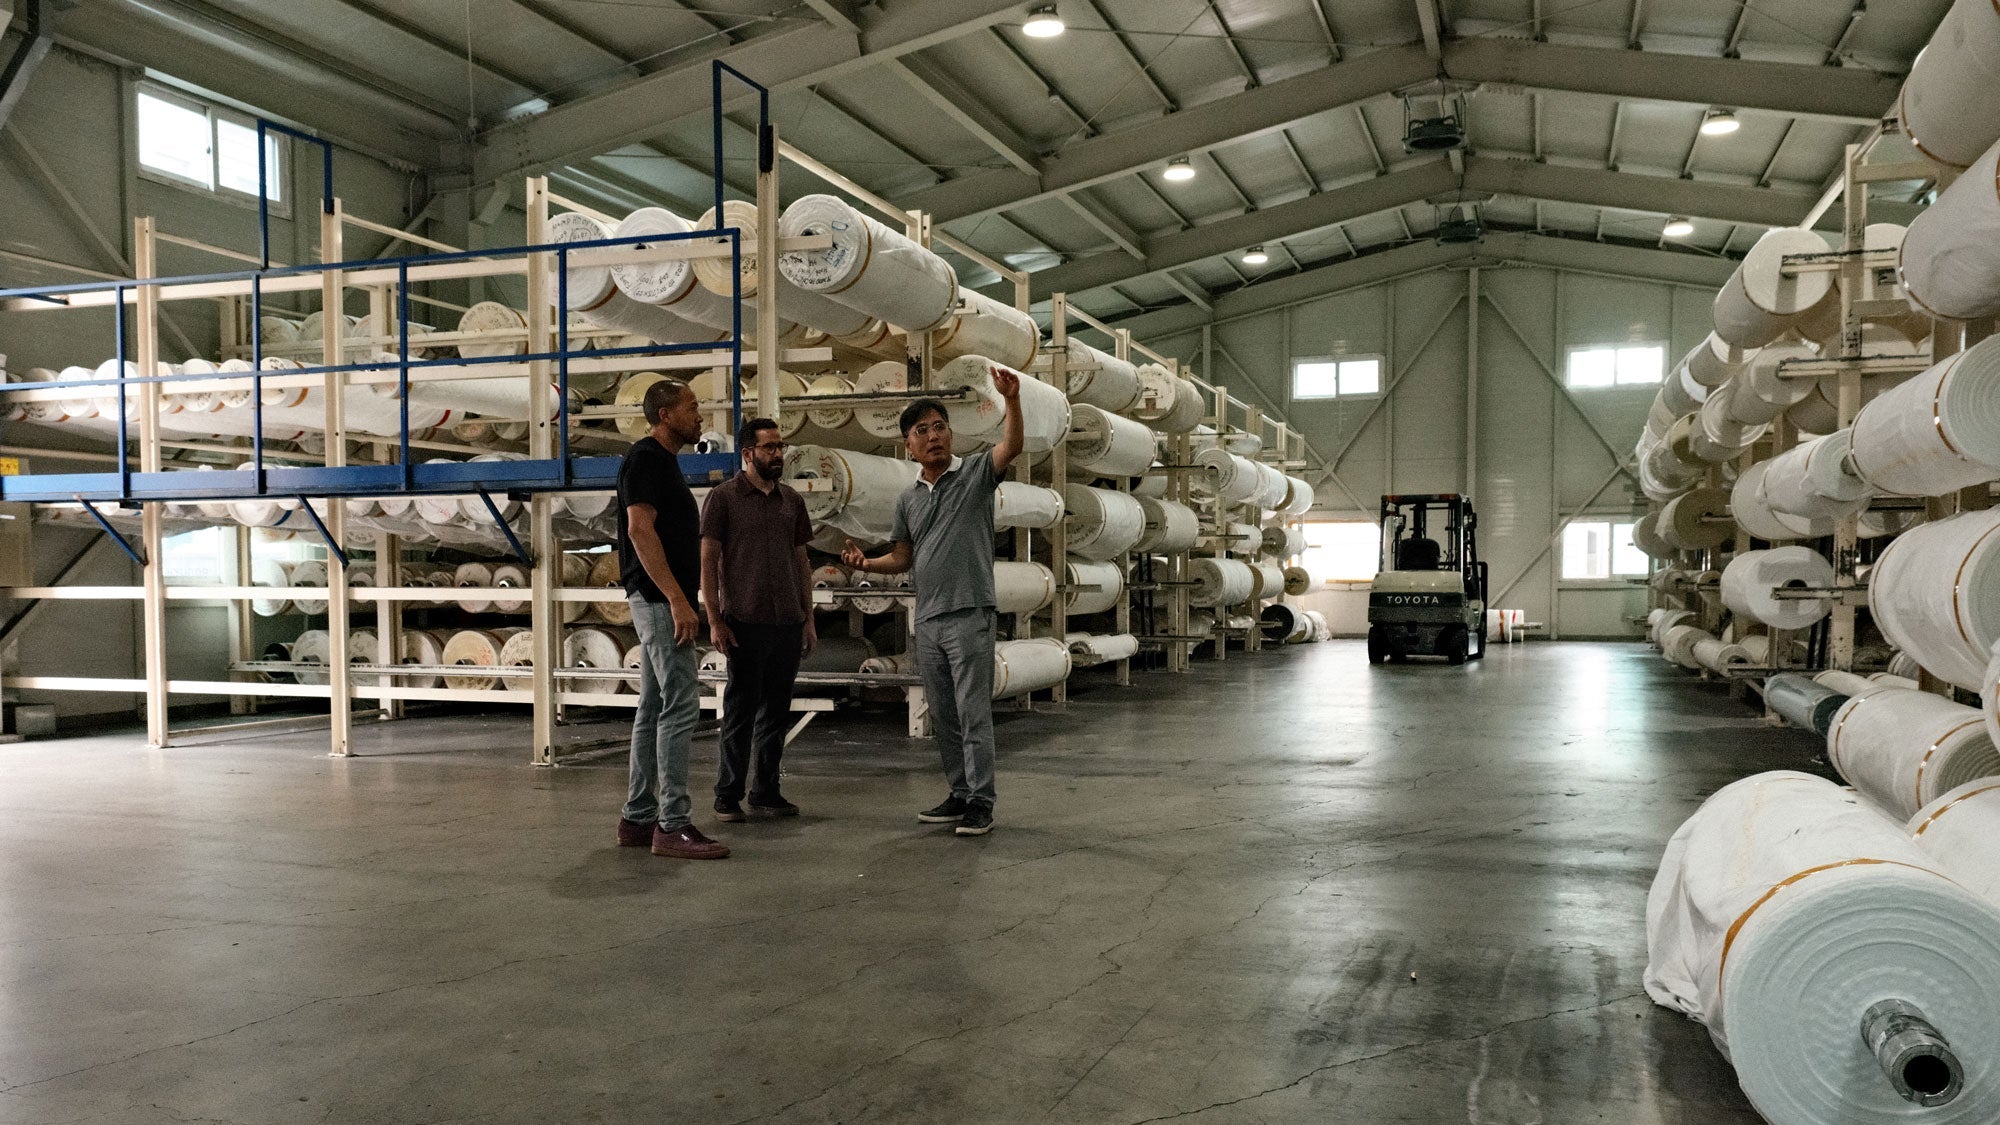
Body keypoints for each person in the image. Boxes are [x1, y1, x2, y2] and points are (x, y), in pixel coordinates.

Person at [843, 367, 1025, 837]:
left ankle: (982, 802)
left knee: (973, 714)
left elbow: (1012, 448)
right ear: (908, 446)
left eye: (939, 426)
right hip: (928, 619)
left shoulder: (976, 475)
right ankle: (959, 793)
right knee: (942, 714)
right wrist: (866, 564)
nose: (932, 436)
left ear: (950, 433)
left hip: (970, 614)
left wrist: (1012, 402)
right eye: (921, 430)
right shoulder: (908, 500)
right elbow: (902, 557)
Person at [614, 379, 731, 860]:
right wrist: (679, 601)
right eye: (692, 407)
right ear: (665, 415)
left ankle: (639, 819)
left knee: (655, 705)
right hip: (661, 602)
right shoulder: (645, 460)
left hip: (662, 600)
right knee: (681, 705)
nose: (699, 415)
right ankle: (673, 824)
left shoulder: (662, 463)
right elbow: (639, 532)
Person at [701, 416, 816, 823]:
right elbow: (709, 561)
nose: (778, 454)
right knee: (740, 712)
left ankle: (766, 791)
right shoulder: (723, 498)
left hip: (787, 621)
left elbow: (802, 561)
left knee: (776, 713)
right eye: (769, 448)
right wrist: (715, 620)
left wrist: (808, 618)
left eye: (780, 447)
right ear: (748, 453)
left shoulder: (791, 501)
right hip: (744, 623)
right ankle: (727, 795)